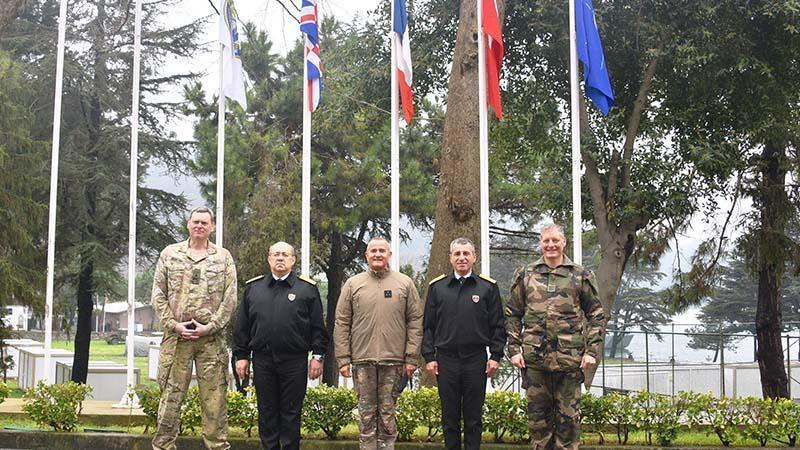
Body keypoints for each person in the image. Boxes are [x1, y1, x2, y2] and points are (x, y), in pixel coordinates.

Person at [505, 224, 605, 450]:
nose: (550, 245)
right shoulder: (526, 274)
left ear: (564, 243)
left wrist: (591, 352)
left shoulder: (580, 275)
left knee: (568, 422)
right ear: (540, 243)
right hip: (535, 361)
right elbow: (513, 314)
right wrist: (514, 349)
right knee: (538, 423)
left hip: (569, 360)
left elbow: (596, 315)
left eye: (555, 241)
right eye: (546, 241)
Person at [151, 206, 237, 450]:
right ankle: (164, 446)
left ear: (212, 227)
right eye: (195, 222)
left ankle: (217, 446)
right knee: (170, 399)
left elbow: (230, 299)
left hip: (210, 341)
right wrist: (174, 324)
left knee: (214, 402)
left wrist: (209, 327)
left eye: (204, 223)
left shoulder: (223, 257)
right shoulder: (170, 254)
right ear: (188, 224)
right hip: (176, 339)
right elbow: (158, 294)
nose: (200, 226)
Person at [232, 241, 328, 450]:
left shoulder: (307, 289)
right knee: (267, 411)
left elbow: (318, 327)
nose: (280, 258)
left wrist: (318, 356)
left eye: (285, 254)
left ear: (293, 260)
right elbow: (242, 326)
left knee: (291, 412)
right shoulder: (253, 289)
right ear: (268, 259)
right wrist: (241, 356)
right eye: (276, 254)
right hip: (263, 360)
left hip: (294, 361)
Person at [334, 237, 424, 450]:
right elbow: (342, 322)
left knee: (387, 413)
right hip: (362, 360)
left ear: (389, 255)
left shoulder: (404, 283)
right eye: (373, 250)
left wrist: (411, 358)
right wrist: (343, 359)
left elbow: (415, 321)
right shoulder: (353, 284)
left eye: (382, 251)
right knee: (365, 415)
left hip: (394, 362)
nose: (377, 254)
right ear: (366, 255)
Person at [422, 237, 506, 450]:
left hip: (475, 359)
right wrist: (429, 357)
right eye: (457, 254)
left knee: (473, 418)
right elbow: (428, 327)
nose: (462, 258)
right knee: (449, 419)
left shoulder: (487, 288)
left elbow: (498, 325)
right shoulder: (438, 288)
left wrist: (495, 356)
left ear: (474, 257)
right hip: (446, 360)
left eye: (466, 254)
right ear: (450, 258)